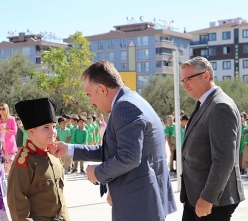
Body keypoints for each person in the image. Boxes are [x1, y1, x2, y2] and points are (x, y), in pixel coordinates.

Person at [50, 60, 176, 221]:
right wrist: (69, 149)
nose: (91, 102)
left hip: (138, 205)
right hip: (143, 200)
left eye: (90, 95)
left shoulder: (125, 107)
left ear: (102, 89)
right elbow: (115, 150)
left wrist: (97, 173)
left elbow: (128, 157)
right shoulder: (132, 100)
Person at [179, 56, 245, 220]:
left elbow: (224, 159)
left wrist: (208, 197)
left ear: (206, 76)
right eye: (182, 81)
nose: (185, 85)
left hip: (213, 201)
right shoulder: (205, 103)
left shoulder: (220, 106)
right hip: (196, 197)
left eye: (188, 79)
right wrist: (187, 195)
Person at [7, 98, 70, 221]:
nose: (52, 132)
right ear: (31, 131)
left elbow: (61, 197)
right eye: (46, 127)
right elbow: (17, 204)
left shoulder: (54, 155)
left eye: (54, 126)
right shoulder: (25, 162)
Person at [0, 103, 18, 175]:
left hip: (9, 145)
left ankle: (10, 179)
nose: (1, 110)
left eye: (3, 108)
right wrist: (1, 131)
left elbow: (14, 132)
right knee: (1, 162)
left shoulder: (12, 119)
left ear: (7, 109)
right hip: (0, 144)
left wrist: (5, 129)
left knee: (10, 163)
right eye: (0, 109)